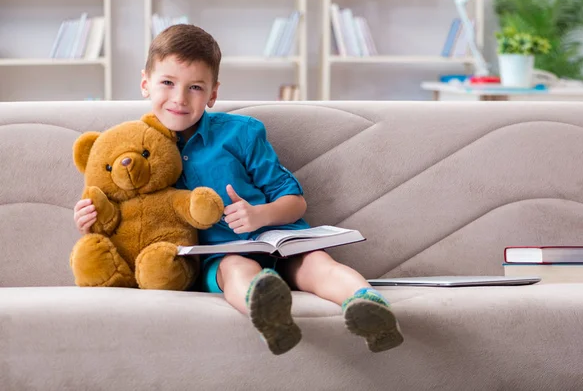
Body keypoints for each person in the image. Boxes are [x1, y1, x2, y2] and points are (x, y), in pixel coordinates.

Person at [73, 24, 403, 355]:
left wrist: (260, 214)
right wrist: (90, 216)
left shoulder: (242, 133)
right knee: (235, 269)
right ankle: (269, 315)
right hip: (219, 255)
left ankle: (369, 305)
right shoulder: (134, 146)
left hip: (279, 239)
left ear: (213, 93)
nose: (179, 98)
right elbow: (119, 203)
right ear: (146, 83)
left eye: (195, 87)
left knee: (318, 264)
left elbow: (295, 201)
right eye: (168, 83)